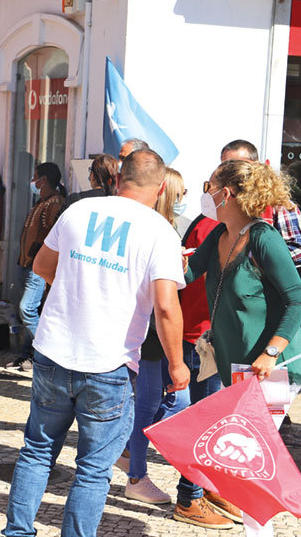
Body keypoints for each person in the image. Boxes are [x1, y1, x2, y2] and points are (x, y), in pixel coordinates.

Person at [1, 149, 189, 537]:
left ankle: (18, 532)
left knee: (37, 452)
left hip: (54, 350)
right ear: (159, 190)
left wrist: (80, 284)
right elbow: (167, 308)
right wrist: (177, 363)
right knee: (92, 468)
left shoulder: (77, 212)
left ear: (118, 180)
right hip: (109, 362)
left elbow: (41, 266)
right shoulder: (160, 232)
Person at [177, 159, 301, 528]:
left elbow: (298, 300)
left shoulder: (263, 238)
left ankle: (259, 530)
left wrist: (271, 352)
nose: (206, 192)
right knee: (241, 461)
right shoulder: (219, 234)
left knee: (250, 462)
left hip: (270, 367)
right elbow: (185, 274)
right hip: (235, 365)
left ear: (227, 193)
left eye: (210, 185)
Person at [119, 167, 191, 505]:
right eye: (178, 196)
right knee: (148, 405)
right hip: (147, 334)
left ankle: (129, 451)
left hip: (157, 334)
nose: (182, 203)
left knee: (169, 403)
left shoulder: (166, 230)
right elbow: (162, 302)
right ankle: (135, 473)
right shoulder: (155, 230)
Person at [6, 162, 66, 372]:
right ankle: (26, 355)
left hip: (37, 267)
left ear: (44, 180)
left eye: (35, 177)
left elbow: (51, 236)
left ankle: (45, 354)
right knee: (25, 310)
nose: (33, 181)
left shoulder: (55, 204)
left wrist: (35, 256)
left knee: (27, 309)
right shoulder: (42, 202)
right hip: (26, 264)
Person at [220, 139, 301, 268]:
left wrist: (253, 262)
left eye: (235, 165)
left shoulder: (278, 202)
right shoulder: (223, 201)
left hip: (262, 286)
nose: (228, 172)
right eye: (224, 166)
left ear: (255, 165)